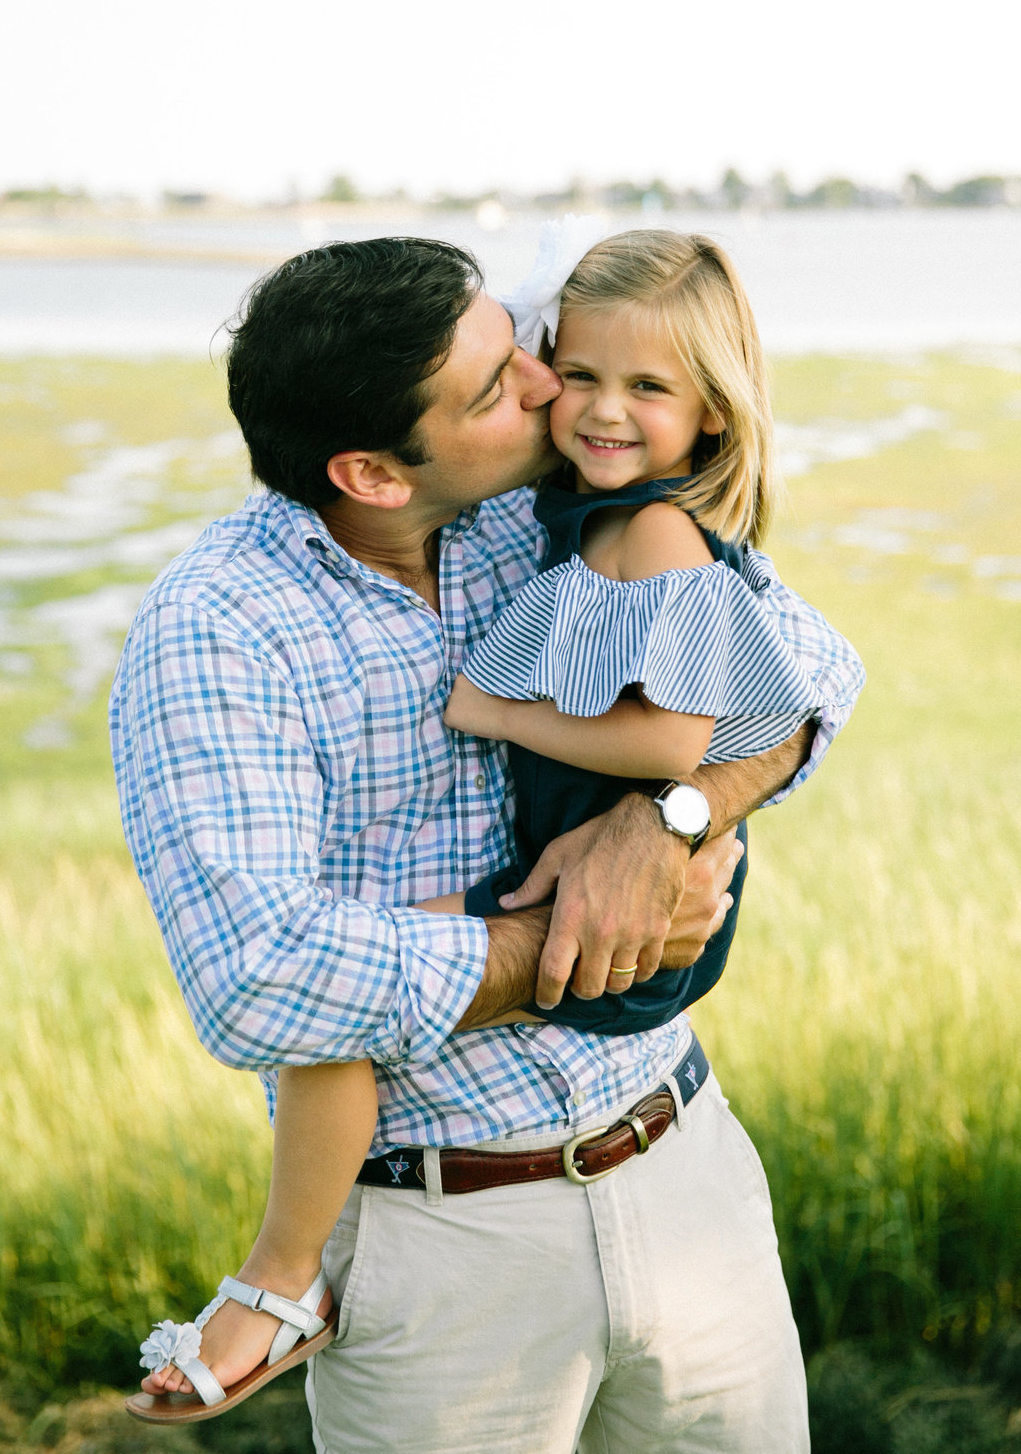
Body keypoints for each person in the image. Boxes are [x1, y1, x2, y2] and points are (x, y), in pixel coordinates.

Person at [111, 234, 863, 1453]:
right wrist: (563, 941)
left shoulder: (558, 501)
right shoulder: (217, 632)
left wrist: (671, 819)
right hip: (442, 1255)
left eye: (514, 343)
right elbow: (260, 981)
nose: (543, 382)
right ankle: (281, 1278)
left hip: (685, 1173)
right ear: (373, 472)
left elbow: (817, 671)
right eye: (494, 382)